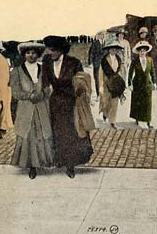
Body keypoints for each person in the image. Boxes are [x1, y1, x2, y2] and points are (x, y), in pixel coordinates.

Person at [42, 35, 93, 178]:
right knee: (57, 133)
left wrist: (80, 91)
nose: (50, 53)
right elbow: (45, 82)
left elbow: (82, 81)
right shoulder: (46, 61)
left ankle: (70, 165)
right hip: (55, 103)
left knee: (71, 134)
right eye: (49, 50)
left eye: (53, 50)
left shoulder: (74, 62)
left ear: (61, 50)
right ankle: (59, 160)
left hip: (71, 103)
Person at [10, 42, 53, 179]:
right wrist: (29, 95)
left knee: (42, 134)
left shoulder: (44, 69)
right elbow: (15, 92)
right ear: (24, 55)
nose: (31, 55)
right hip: (26, 109)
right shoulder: (16, 71)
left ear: (38, 54)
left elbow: (48, 87)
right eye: (28, 53)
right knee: (28, 136)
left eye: (34, 53)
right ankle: (31, 166)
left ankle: (42, 162)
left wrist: (42, 94)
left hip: (41, 107)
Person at [128, 41, 156, 128]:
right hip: (137, 84)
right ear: (138, 52)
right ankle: (137, 118)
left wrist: (154, 82)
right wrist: (130, 84)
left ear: (146, 51)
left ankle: (148, 121)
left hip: (147, 84)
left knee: (147, 103)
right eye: (141, 51)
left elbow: (152, 72)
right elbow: (130, 73)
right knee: (138, 102)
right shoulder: (135, 61)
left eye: (144, 51)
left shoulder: (150, 60)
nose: (142, 52)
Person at [99, 41, 127, 129]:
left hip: (115, 83)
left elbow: (121, 70)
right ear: (108, 50)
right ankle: (105, 113)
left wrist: (122, 81)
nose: (113, 51)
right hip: (106, 82)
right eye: (111, 49)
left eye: (115, 49)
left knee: (114, 102)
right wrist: (101, 85)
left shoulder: (118, 59)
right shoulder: (104, 60)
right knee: (106, 101)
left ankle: (112, 121)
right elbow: (101, 73)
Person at [88, 31, 106, 98]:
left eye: (103, 35)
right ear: (98, 35)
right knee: (97, 78)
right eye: (101, 34)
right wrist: (90, 62)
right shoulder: (95, 43)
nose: (102, 36)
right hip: (97, 63)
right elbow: (91, 53)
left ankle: (103, 93)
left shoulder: (105, 43)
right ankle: (98, 94)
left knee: (104, 78)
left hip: (104, 64)